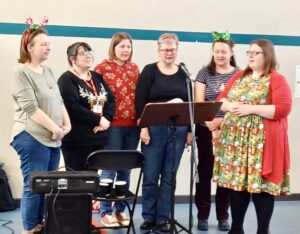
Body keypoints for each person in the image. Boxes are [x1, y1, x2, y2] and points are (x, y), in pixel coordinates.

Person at [213, 39, 292, 234]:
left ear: (268, 56)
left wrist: (250, 109)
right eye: (249, 52)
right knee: (237, 186)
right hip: (236, 143)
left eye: (256, 53)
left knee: (261, 187)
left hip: (261, 143)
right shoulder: (240, 76)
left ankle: (262, 230)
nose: (250, 55)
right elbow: (220, 99)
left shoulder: (276, 78)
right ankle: (236, 228)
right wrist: (230, 106)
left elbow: (283, 108)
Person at [11, 24, 71, 234]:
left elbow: (59, 99)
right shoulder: (20, 72)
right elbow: (31, 108)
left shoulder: (48, 71)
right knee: (34, 186)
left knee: (47, 187)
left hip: (54, 137)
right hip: (31, 136)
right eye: (43, 44)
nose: (48, 48)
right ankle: (29, 229)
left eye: (49, 44)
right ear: (29, 47)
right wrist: (56, 128)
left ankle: (40, 225)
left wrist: (66, 125)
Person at [135, 33, 192, 232]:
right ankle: (149, 217)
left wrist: (190, 132)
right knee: (151, 176)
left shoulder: (184, 73)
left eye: (173, 49)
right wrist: (143, 127)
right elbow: (140, 102)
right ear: (158, 50)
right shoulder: (150, 71)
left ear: (177, 50)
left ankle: (164, 218)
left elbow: (190, 105)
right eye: (166, 49)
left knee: (169, 177)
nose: (169, 53)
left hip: (178, 131)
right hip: (153, 130)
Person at [194, 32, 239, 231]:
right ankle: (202, 216)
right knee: (204, 173)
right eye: (216, 51)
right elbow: (199, 103)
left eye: (224, 51)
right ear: (212, 53)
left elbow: (239, 104)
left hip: (230, 129)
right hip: (205, 129)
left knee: (225, 175)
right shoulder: (204, 73)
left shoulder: (239, 74)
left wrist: (222, 122)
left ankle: (223, 216)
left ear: (231, 52)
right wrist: (212, 123)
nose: (220, 55)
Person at [94, 32, 140, 227]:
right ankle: (105, 211)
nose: (125, 50)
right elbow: (94, 96)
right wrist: (98, 119)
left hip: (132, 127)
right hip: (112, 127)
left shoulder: (135, 68)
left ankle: (120, 210)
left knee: (125, 170)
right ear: (114, 47)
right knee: (109, 168)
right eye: (122, 46)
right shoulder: (102, 68)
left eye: (128, 47)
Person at [57, 42, 115, 171]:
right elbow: (73, 108)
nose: (88, 56)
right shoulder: (66, 79)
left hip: (98, 137)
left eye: (90, 53)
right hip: (77, 140)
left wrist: (106, 119)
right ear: (72, 58)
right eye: (83, 53)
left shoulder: (97, 77)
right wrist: (98, 120)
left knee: (93, 181)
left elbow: (111, 100)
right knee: (78, 182)